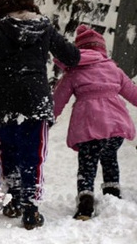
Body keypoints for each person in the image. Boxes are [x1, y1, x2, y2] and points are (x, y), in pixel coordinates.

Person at [0, 0, 80, 230]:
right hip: (35, 102)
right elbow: (72, 57)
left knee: (9, 151)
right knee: (33, 154)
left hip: (5, 103)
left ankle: (15, 199)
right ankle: (30, 206)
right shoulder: (45, 29)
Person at [53, 24, 137, 220]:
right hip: (115, 126)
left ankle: (85, 202)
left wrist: (48, 117)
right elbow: (133, 93)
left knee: (87, 165)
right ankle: (112, 194)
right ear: (101, 48)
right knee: (110, 158)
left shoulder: (74, 71)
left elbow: (58, 99)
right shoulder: (113, 68)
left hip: (88, 127)